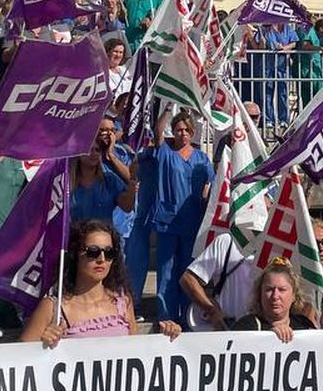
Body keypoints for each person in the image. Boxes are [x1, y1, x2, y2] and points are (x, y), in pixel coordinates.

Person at [20, 218, 183, 343]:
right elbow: (18, 360)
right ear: (75, 254)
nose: (102, 259)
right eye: (93, 252)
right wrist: (41, 343)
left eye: (109, 252)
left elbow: (135, 354)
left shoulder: (123, 302)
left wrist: (168, 336)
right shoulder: (52, 308)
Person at [127, 110, 213, 323]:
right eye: (178, 130)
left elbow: (209, 187)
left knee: (188, 272)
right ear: (173, 131)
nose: (182, 133)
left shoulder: (201, 158)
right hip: (167, 221)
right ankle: (167, 316)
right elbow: (157, 134)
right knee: (166, 271)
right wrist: (167, 108)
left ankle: (187, 317)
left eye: (186, 130)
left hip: (192, 221)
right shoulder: (164, 152)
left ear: (192, 132)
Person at [181, 227, 258, 331]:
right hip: (228, 329)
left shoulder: (278, 243)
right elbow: (188, 279)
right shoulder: (227, 241)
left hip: (264, 331)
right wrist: (211, 310)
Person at [71, 116, 135, 231]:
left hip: (115, 227)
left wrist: (111, 155)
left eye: (112, 130)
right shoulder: (69, 179)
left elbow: (131, 178)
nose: (109, 134)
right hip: (77, 236)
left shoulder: (120, 153)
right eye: (104, 130)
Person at [234, 261, 316, 338]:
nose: (275, 296)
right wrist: (270, 336)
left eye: (282, 290)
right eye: (269, 289)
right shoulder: (246, 326)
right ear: (260, 294)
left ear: (294, 295)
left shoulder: (304, 324)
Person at [260, 20, 300, 130]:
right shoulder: (265, 27)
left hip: (283, 65)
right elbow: (260, 45)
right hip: (268, 65)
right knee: (267, 92)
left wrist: (285, 48)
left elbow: (295, 42)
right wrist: (264, 38)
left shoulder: (287, 28)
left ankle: (283, 120)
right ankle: (269, 120)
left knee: (283, 92)